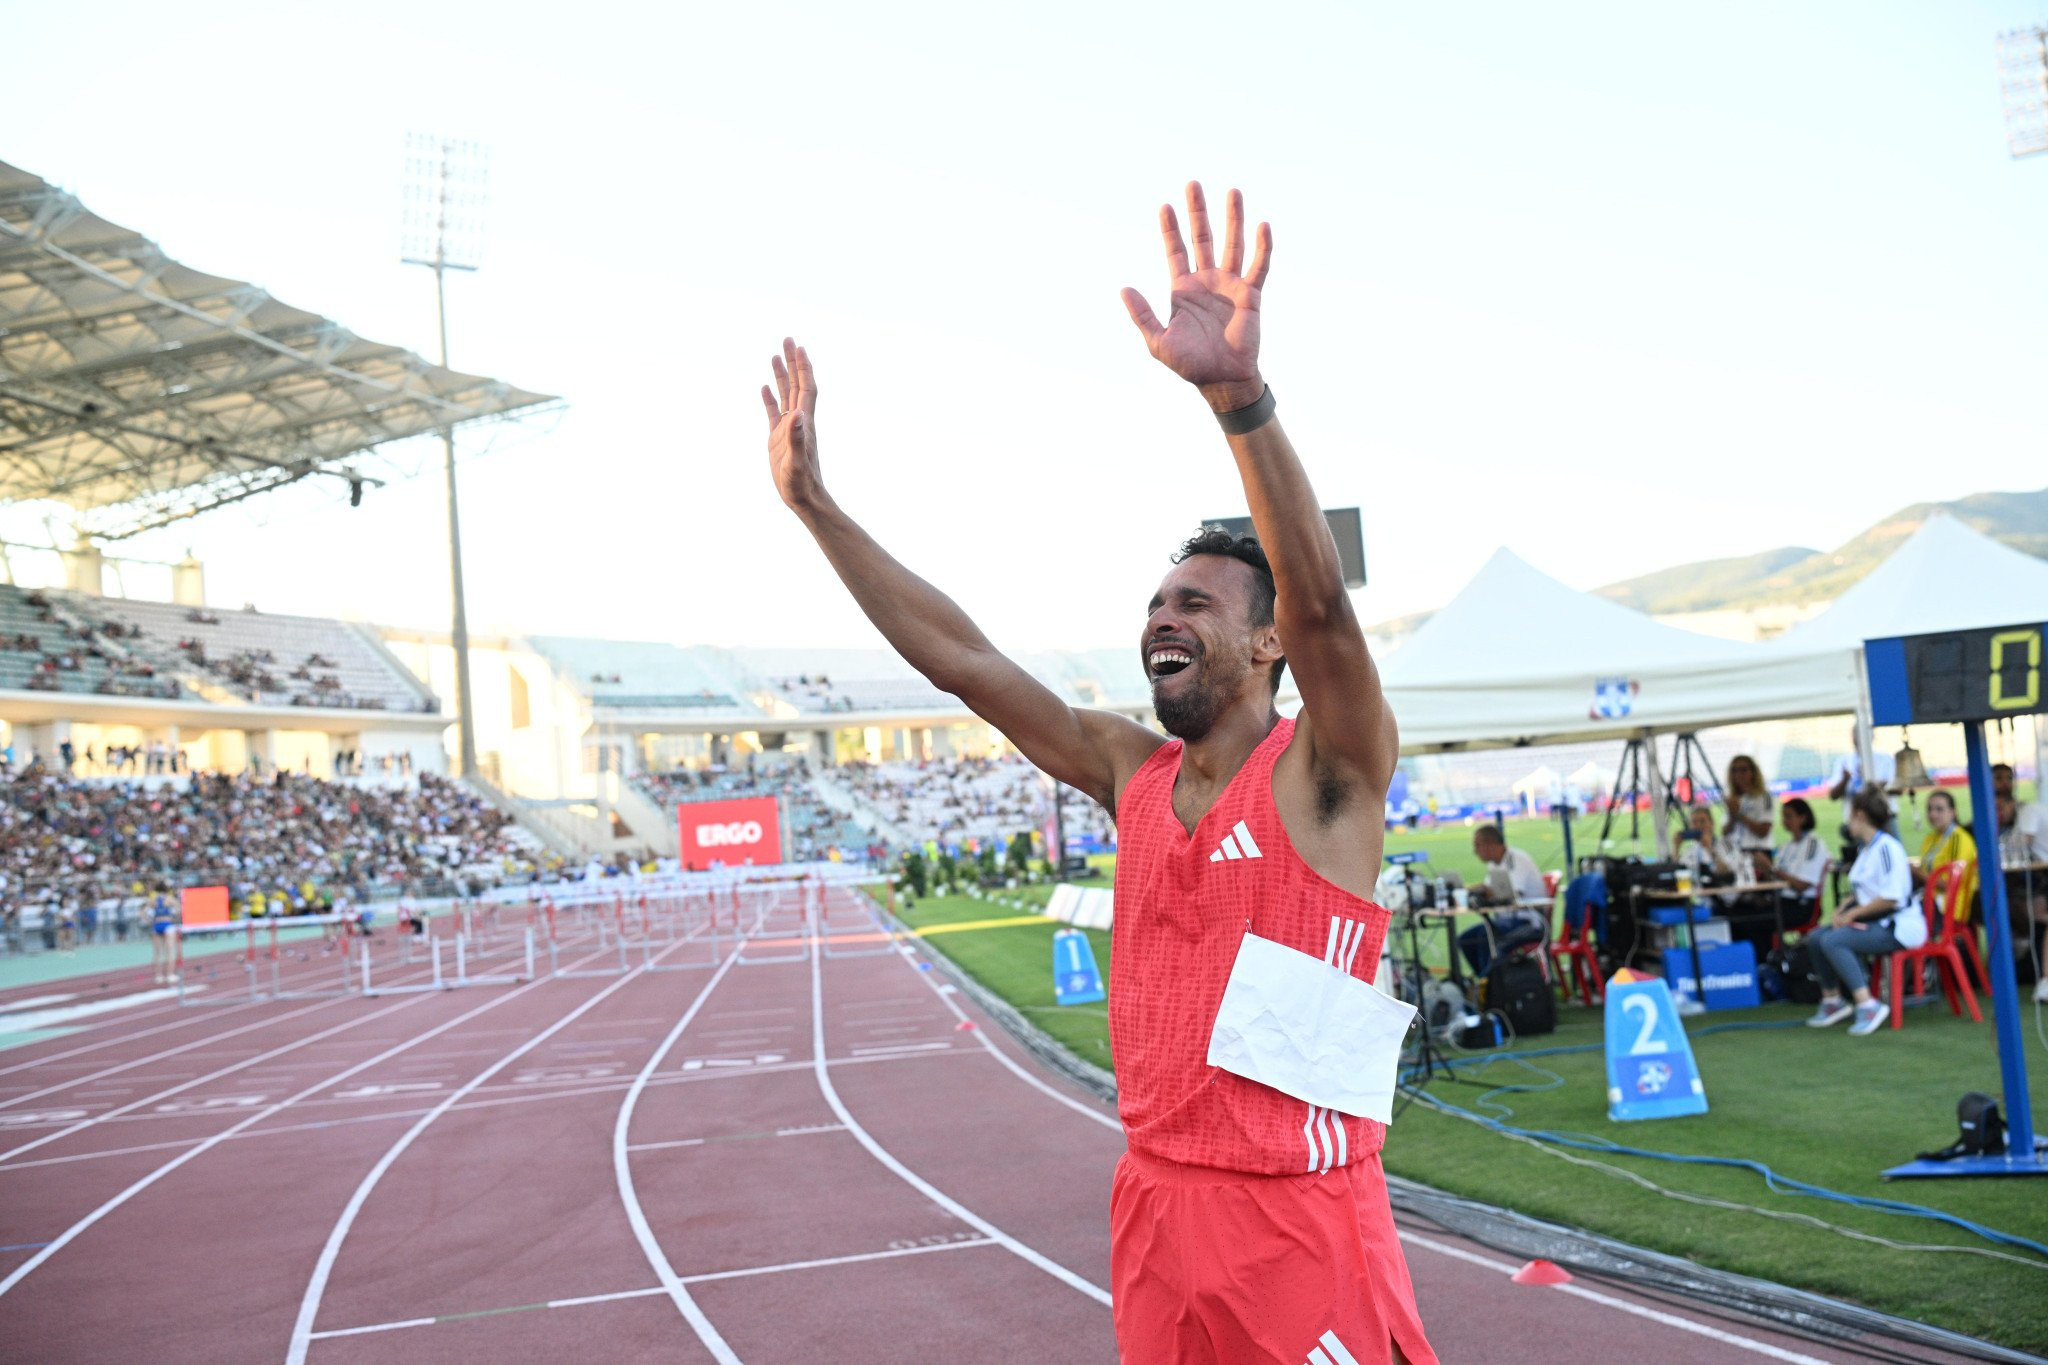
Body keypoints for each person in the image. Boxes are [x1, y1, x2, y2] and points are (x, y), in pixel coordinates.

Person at [761, 183, 1434, 1364]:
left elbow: (1324, 604)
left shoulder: (1327, 770)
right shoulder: (1127, 768)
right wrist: (817, 509)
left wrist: (1236, 399)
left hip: (1295, 1219)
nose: (1159, 618)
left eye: (1195, 603)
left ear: (1267, 643)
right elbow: (967, 662)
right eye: (1153, 603)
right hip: (1154, 1205)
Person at [1805, 788, 1923, 1035]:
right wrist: (1841, 910)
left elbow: (1891, 898)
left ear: (1859, 815)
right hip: (1874, 921)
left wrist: (1853, 915)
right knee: (1816, 938)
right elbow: (1861, 891)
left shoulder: (1887, 848)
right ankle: (1832, 1000)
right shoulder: (1867, 849)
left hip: (1896, 926)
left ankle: (1867, 1005)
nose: (1848, 823)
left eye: (1850, 816)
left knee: (1834, 941)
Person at [1457, 824, 1549, 976]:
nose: (1475, 851)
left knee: (1486, 937)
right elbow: (1489, 890)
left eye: (1477, 845)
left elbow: (1510, 893)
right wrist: (1468, 890)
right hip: (1507, 921)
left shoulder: (1516, 859)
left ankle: (1490, 986)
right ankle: (1486, 983)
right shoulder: (1494, 864)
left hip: (1530, 922)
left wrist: (1483, 891)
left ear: (1490, 844)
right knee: (1466, 939)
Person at [1914, 790, 1978, 923]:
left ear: (1953, 812)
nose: (1933, 814)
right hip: (1931, 899)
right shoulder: (1930, 838)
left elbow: (1949, 885)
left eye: (1939, 809)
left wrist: (1917, 873)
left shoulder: (1958, 839)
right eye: (1929, 809)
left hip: (1949, 906)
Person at [1722, 754, 1774, 855]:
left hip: (1758, 852)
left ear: (1753, 772)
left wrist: (1739, 814)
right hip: (1735, 852)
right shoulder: (1733, 798)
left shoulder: (1764, 796)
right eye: (1734, 770)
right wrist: (1732, 815)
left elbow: (1763, 831)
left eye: (1743, 770)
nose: (1738, 774)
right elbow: (1725, 832)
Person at [149, 886, 178, 985]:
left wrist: (150, 920)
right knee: (169, 951)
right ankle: (170, 975)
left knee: (157, 953)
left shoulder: (153, 900)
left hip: (156, 925)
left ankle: (158, 976)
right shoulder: (169, 899)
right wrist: (173, 917)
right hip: (167, 924)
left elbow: (144, 912)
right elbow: (178, 909)